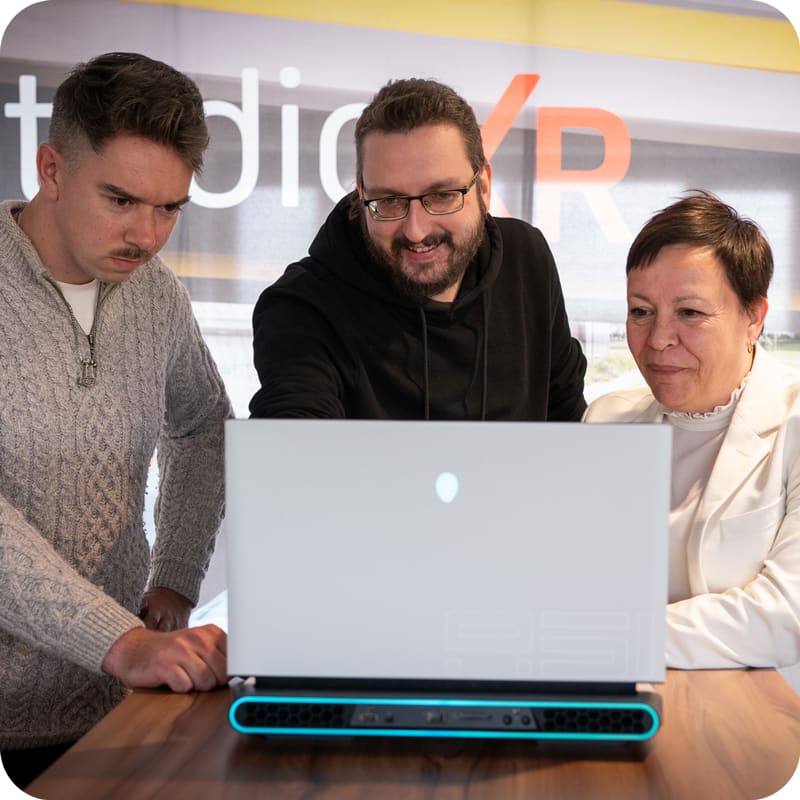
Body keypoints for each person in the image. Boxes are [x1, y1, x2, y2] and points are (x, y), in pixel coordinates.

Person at [0, 52, 232, 788]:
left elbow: (205, 427)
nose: (148, 235)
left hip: (114, 711)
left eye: (169, 208)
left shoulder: (155, 294)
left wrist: (176, 576)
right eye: (122, 200)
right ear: (52, 169)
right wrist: (120, 640)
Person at [249, 78, 586, 420]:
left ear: (483, 187)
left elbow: (569, 421)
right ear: (362, 193)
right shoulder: (302, 306)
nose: (415, 231)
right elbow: (294, 439)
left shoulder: (526, 260)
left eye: (441, 196)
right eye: (389, 200)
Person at [584, 190, 800, 669]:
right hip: (623, 690)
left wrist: (607, 635)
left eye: (690, 313)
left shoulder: (794, 422)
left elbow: (785, 615)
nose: (659, 339)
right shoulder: (605, 420)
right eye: (641, 311)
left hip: (759, 704)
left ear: (754, 318)